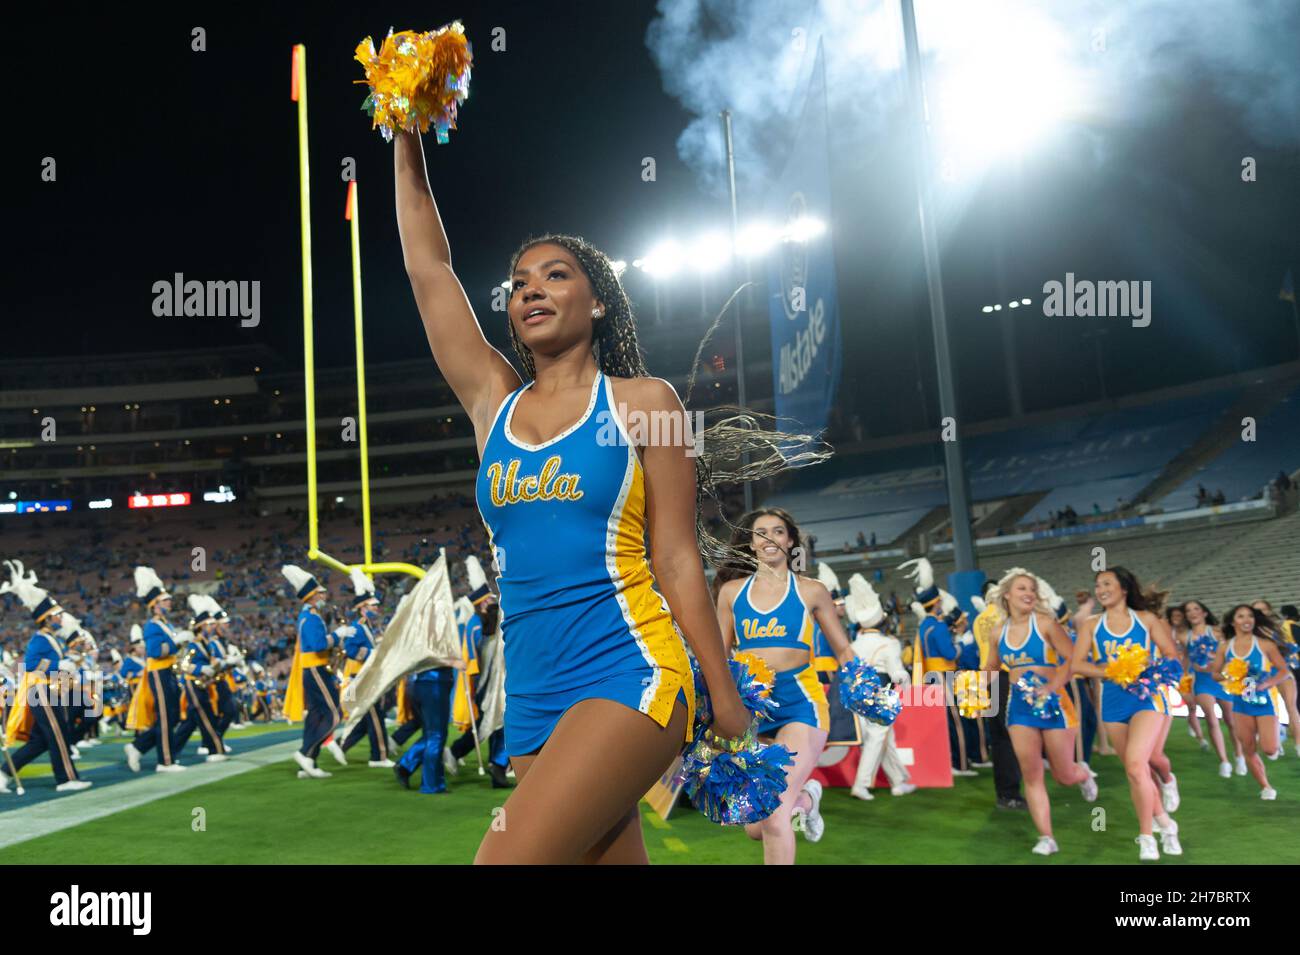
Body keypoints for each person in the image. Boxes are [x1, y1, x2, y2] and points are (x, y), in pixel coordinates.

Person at [395, 128, 758, 863]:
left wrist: (722, 688)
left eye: (555, 275)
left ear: (597, 302)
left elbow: (678, 557)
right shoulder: (491, 401)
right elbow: (429, 269)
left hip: (630, 667)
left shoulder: (642, 400)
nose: (531, 288)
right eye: (520, 281)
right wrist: (406, 133)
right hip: (531, 691)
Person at [715, 508, 855, 864]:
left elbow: (843, 649)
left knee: (775, 815)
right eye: (761, 533)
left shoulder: (812, 591)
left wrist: (863, 679)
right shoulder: (731, 593)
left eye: (777, 532)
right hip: (754, 711)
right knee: (753, 824)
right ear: (751, 543)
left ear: (790, 540)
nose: (769, 539)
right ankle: (806, 798)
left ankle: (797, 800)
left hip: (801, 706)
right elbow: (718, 656)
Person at [1069, 567, 1182, 861]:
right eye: (1098, 585)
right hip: (1114, 701)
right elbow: (1077, 665)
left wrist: (1150, 674)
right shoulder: (1092, 625)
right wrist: (1112, 671)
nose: (1101, 589)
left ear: (1124, 589)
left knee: (1135, 764)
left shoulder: (1146, 620)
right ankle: (1167, 825)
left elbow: (1172, 655)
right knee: (1137, 772)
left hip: (1147, 698)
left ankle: (1146, 836)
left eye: (1107, 583)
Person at [985, 569, 1096, 856]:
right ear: (1007, 595)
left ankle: (1081, 773)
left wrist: (1052, 687)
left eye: (1032, 589)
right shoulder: (997, 632)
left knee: (1063, 775)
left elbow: (1073, 660)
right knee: (1031, 774)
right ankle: (1046, 837)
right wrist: (969, 688)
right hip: (1019, 709)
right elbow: (992, 667)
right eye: (1022, 588)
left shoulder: (1046, 624)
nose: (1029, 593)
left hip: (1054, 704)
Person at [0, 560, 91, 793]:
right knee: (59, 734)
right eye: (57, 615)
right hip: (43, 691)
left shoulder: (53, 639)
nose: (61, 618)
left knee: (40, 741)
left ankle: (4, 773)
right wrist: (60, 664)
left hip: (48, 691)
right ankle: (66, 779)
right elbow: (31, 665)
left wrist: (67, 663)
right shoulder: (40, 639)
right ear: (47, 618)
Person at [843, 574, 916, 801]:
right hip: (880, 694)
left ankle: (898, 781)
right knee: (877, 738)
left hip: (855, 694)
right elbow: (896, 672)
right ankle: (861, 784)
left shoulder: (853, 644)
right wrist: (905, 680)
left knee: (885, 738)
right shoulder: (889, 643)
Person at [1208, 605, 1291, 800]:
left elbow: (1283, 670)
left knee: (1269, 749)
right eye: (1241, 616)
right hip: (1240, 704)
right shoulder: (1224, 647)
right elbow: (1215, 675)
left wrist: (1268, 683)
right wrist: (1231, 674)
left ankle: (1276, 732)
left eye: (1250, 616)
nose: (1247, 619)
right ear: (1232, 621)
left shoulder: (1265, 645)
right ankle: (1266, 787)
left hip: (1263, 703)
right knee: (1248, 749)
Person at [281, 565, 353, 779]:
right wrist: (337, 636)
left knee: (315, 716)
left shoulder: (310, 616)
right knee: (334, 713)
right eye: (320, 593)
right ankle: (305, 753)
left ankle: (309, 761)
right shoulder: (310, 618)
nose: (324, 595)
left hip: (314, 669)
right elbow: (318, 644)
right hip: (315, 670)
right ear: (312, 596)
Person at [123, 566, 191, 773]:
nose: (169, 602)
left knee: (173, 717)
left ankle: (138, 746)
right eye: (165, 600)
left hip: (168, 672)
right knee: (165, 716)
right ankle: (165, 761)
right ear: (155, 605)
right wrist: (176, 642)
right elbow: (154, 651)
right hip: (159, 672)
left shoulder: (165, 624)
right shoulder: (152, 626)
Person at [971, 584, 1025, 810]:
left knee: (999, 738)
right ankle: (1012, 791)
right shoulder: (1006, 619)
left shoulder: (979, 619)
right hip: (1005, 676)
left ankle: (1004, 791)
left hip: (987, 677)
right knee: (1013, 735)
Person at [337, 569, 395, 768]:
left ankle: (341, 744)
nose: (376, 608)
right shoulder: (358, 626)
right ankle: (378, 756)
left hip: (367, 677)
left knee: (366, 720)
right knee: (375, 716)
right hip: (360, 678)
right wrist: (372, 654)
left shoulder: (368, 627)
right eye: (372, 606)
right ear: (362, 608)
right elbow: (350, 650)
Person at [1183, 600, 1242, 777]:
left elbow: (1229, 653)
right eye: (1188, 610)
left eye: (1196, 609)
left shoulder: (1217, 632)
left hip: (1221, 680)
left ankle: (1239, 756)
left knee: (1231, 721)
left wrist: (1213, 659)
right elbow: (1185, 662)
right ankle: (1224, 761)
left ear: (1204, 613)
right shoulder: (1185, 636)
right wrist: (1185, 686)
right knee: (1210, 718)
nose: (1192, 612)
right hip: (1202, 682)